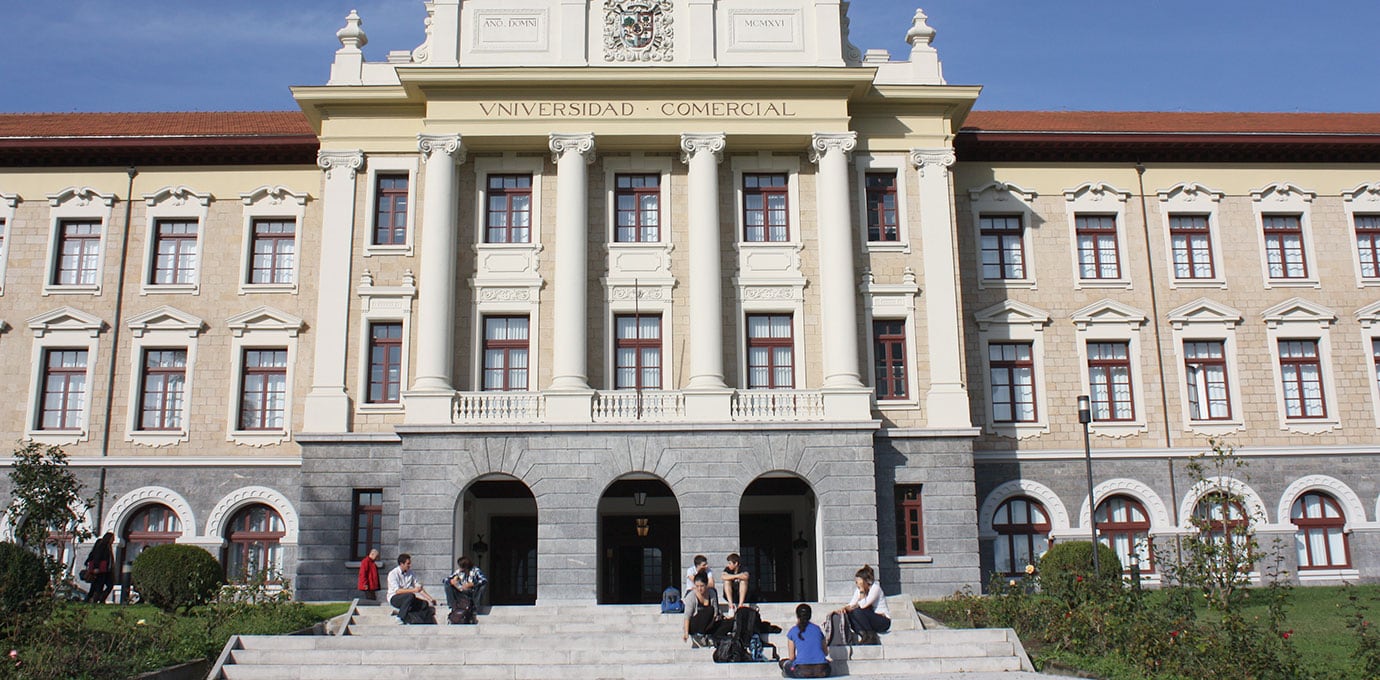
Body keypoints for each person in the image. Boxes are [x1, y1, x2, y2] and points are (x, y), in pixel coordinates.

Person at [835, 564, 890, 644]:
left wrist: (862, 590)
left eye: (859, 582)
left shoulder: (875, 588)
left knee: (857, 611)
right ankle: (864, 635)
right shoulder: (858, 590)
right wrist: (843, 609)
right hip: (870, 618)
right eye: (856, 582)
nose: (857, 584)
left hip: (883, 620)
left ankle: (871, 636)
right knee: (850, 613)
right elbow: (852, 604)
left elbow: (863, 605)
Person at [780, 603, 831, 678]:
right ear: (810, 615)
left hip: (801, 671)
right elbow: (825, 652)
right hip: (822, 670)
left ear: (797, 616)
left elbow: (792, 657)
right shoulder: (817, 629)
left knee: (784, 663)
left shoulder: (793, 631)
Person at [386, 553, 437, 624]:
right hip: (394, 598)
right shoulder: (393, 574)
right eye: (408, 564)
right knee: (410, 595)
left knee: (424, 604)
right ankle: (400, 617)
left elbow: (418, 588)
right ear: (401, 564)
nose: (409, 566)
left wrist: (430, 599)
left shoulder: (411, 573)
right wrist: (413, 590)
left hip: (407, 598)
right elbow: (397, 591)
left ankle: (417, 619)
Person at [682, 571, 722, 647]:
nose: (699, 589)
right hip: (695, 623)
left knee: (727, 623)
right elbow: (687, 616)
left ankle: (710, 636)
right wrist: (686, 632)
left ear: (706, 585)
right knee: (709, 610)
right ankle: (699, 636)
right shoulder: (691, 596)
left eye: (702, 586)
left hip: (709, 623)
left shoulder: (712, 593)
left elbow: (715, 612)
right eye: (697, 586)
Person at [83, 532, 115, 604]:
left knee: (109, 585)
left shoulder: (108, 546)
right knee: (97, 586)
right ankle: (95, 600)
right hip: (101, 570)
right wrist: (96, 567)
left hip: (107, 570)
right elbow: (97, 556)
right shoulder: (103, 546)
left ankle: (99, 598)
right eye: (112, 538)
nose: (113, 540)